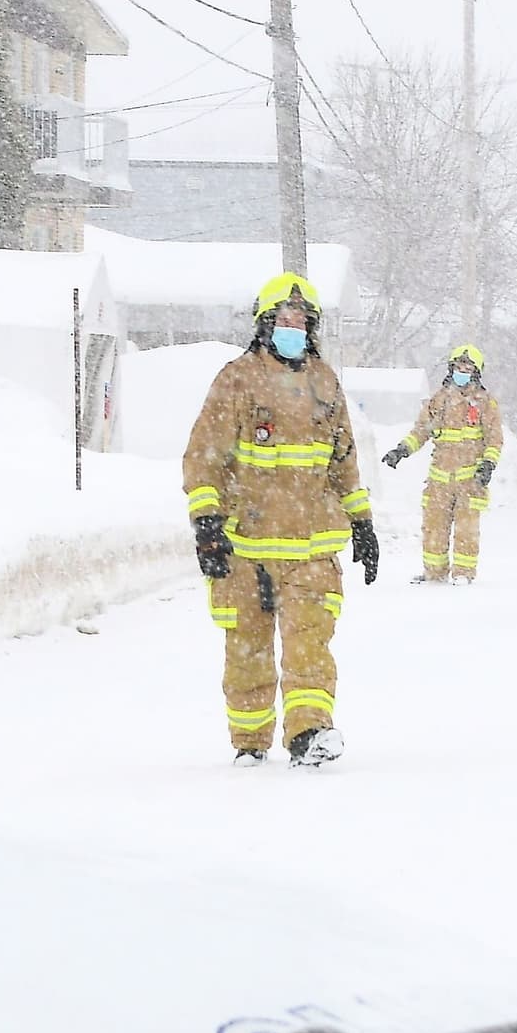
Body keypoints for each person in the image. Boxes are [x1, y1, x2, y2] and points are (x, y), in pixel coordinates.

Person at [182, 272, 378, 764]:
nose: (293, 325)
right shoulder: (238, 378)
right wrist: (206, 523)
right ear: (265, 323)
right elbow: (204, 456)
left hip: (310, 550)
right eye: (283, 318)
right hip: (245, 547)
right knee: (245, 650)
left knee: (309, 646)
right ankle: (249, 743)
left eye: (301, 319)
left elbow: (344, 461)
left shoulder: (324, 381)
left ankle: (308, 734)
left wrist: (362, 523)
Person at [380, 344, 503, 584]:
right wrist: (402, 450)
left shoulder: (485, 403)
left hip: (470, 479)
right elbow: (421, 431)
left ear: (476, 371)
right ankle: (434, 573)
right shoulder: (439, 400)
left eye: (468, 366)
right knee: (433, 527)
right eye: (458, 366)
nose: (462, 370)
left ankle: (463, 573)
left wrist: (488, 464)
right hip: (439, 479)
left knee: (466, 530)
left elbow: (494, 439)